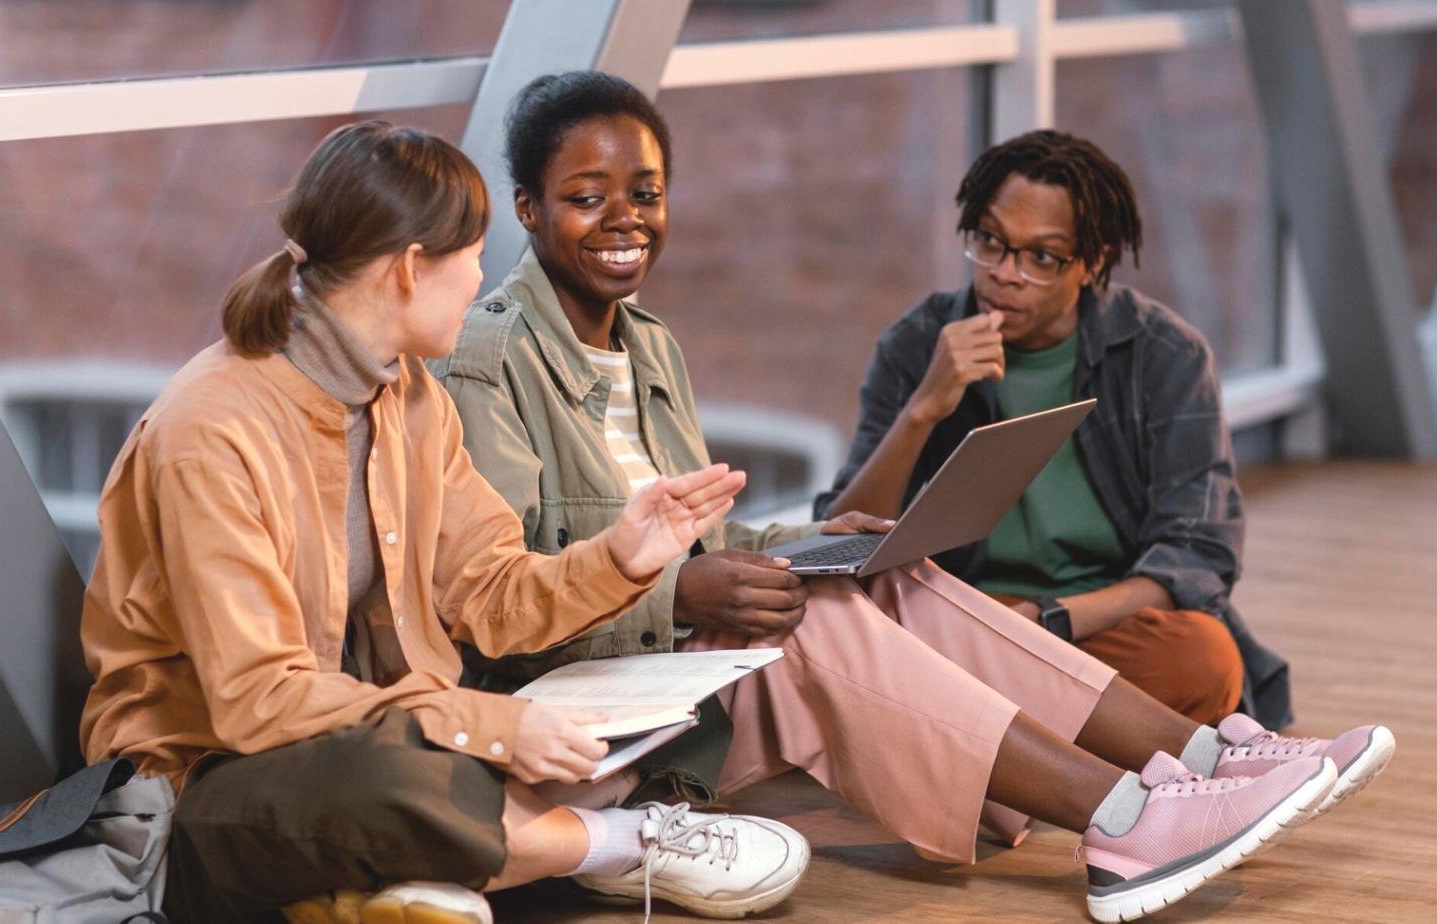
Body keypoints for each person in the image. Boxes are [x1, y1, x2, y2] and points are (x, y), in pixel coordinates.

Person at [434, 71, 1394, 922]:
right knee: (816, 621)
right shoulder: (487, 361)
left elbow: (698, 535)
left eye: (644, 193)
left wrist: (815, 535)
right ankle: (1131, 821)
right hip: (566, 702)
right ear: (525, 207)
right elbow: (507, 599)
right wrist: (686, 594)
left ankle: (1215, 760)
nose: (624, 220)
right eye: (585, 197)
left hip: (673, 665)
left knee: (890, 572)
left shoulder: (648, 344)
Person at [77, 120, 813, 924]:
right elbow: (258, 701)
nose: (480, 277)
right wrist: (484, 727)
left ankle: (407, 881)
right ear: (406, 269)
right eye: (468, 256)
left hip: (371, 733)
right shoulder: (212, 431)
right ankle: (621, 844)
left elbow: (489, 592)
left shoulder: (407, 393)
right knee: (409, 779)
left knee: (654, 717)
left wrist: (621, 557)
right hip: (216, 779)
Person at [817, 129, 1288, 729]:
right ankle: (1054, 744)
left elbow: (1198, 553)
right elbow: (840, 545)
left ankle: (982, 741)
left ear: (1091, 264)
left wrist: (1047, 619)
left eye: (1041, 257)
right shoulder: (917, 345)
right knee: (857, 642)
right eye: (991, 243)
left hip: (1094, 623)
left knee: (1202, 661)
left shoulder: (1164, 354)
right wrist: (922, 411)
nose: (1005, 275)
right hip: (960, 624)